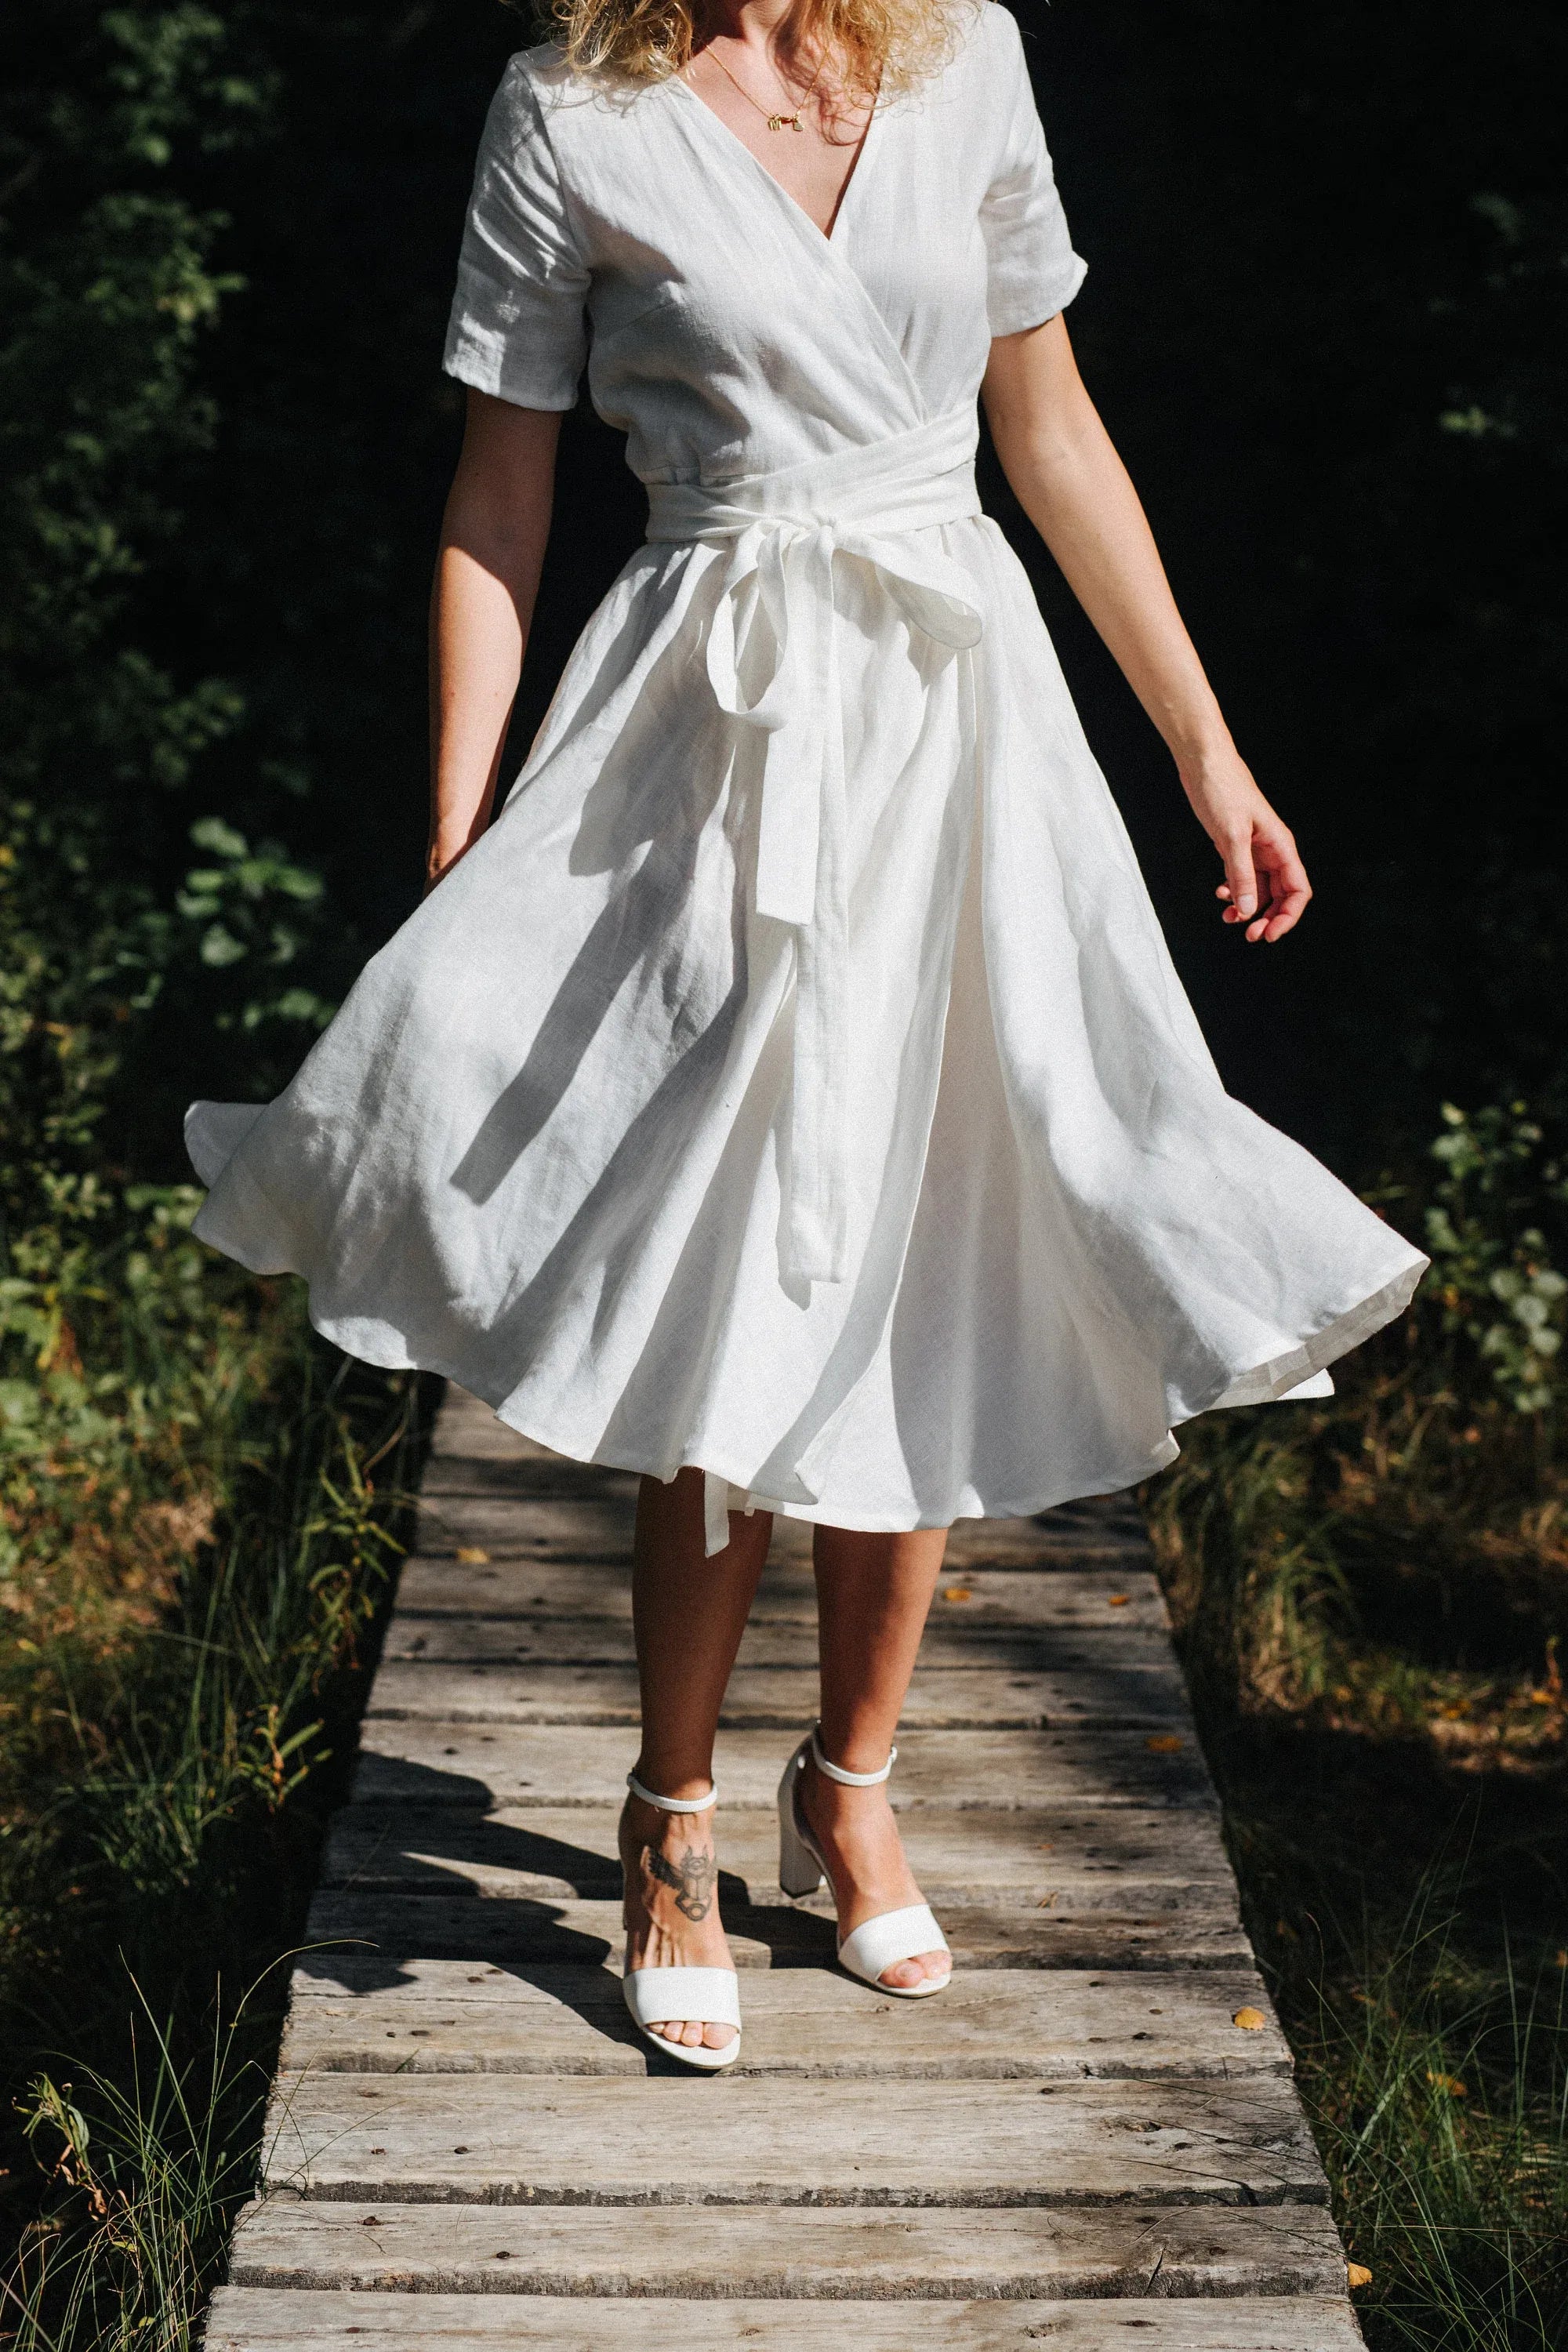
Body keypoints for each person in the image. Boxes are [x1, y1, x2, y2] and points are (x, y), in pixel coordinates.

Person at [185, 0, 1426, 2071]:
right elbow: (499, 493)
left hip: (960, 726)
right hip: (713, 745)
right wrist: (455, 818)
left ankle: (847, 1781)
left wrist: (1207, 746)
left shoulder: (971, 55)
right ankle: (671, 1801)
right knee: (750, 1249)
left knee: (934, 1227)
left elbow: (1051, 427)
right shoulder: (572, 109)